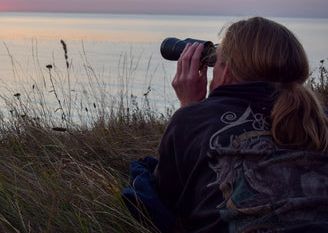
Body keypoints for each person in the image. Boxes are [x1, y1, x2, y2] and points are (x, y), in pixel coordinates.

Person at [123, 17, 328, 232]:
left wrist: (188, 107)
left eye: (216, 62)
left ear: (227, 69)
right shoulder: (320, 119)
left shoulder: (192, 120)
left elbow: (169, 200)